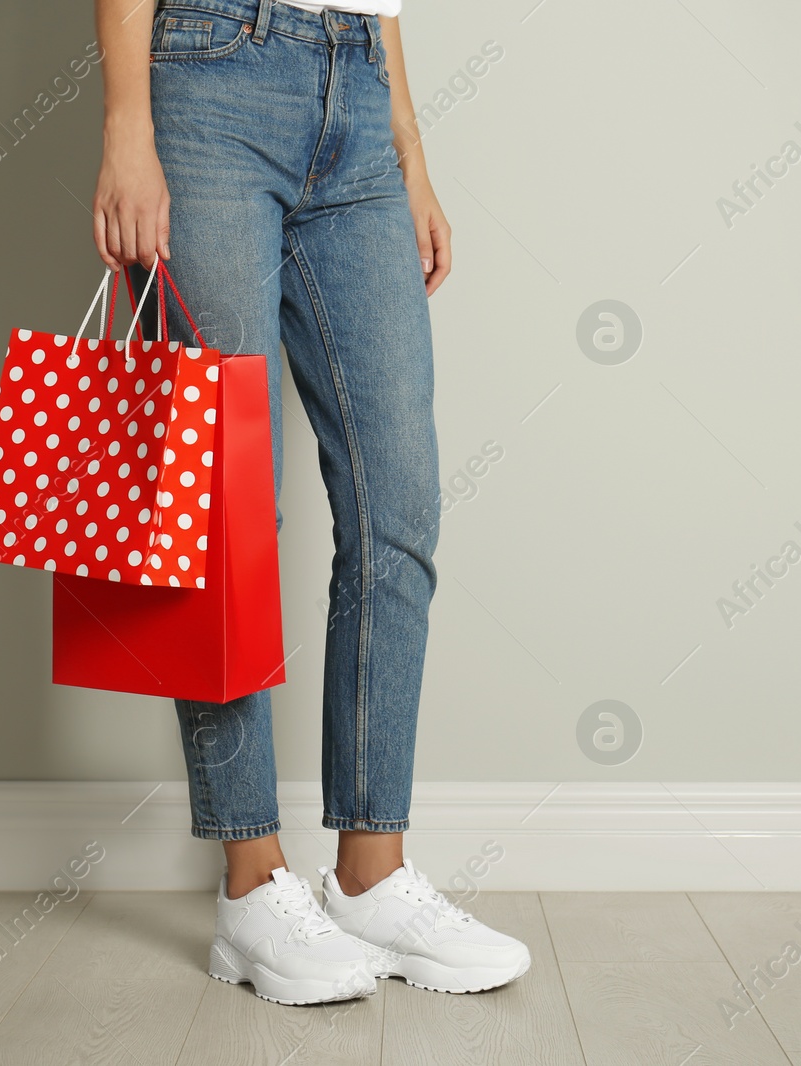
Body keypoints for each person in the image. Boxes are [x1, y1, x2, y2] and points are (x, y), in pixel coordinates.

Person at [90, 0, 530, 1005]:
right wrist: (126, 126)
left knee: (398, 506)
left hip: (361, 83)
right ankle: (251, 886)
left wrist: (408, 148)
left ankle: (373, 874)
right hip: (210, 75)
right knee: (222, 506)